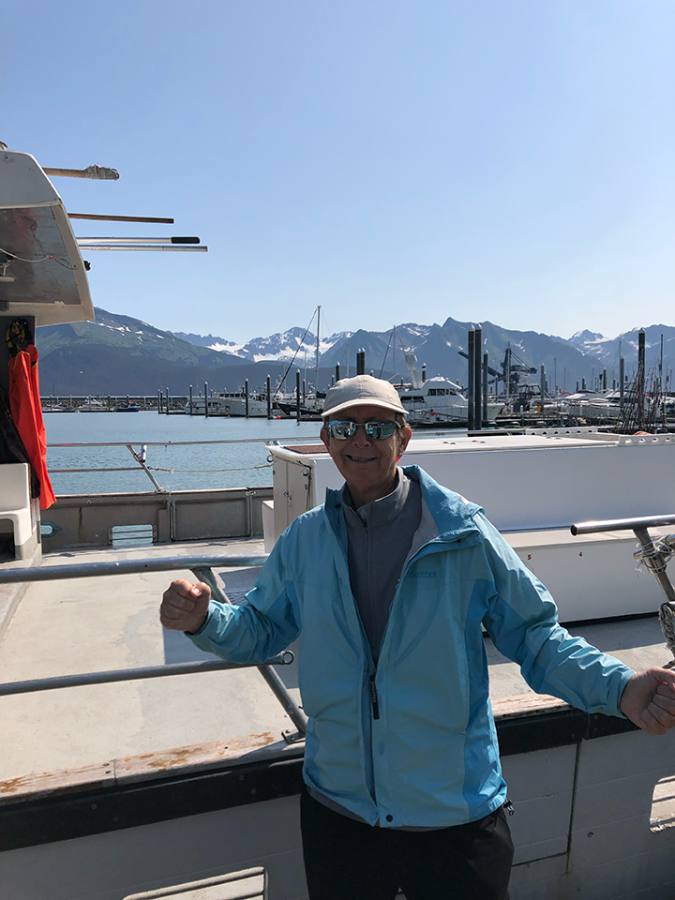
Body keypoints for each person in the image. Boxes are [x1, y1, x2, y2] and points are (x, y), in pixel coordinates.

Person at [161, 375, 675, 900]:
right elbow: (261, 630)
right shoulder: (304, 539)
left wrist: (620, 687)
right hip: (340, 812)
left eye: (377, 426)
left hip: (455, 816)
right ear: (326, 440)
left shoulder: (465, 534)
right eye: (344, 427)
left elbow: (536, 638)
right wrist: (205, 620)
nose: (360, 440)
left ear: (403, 438)